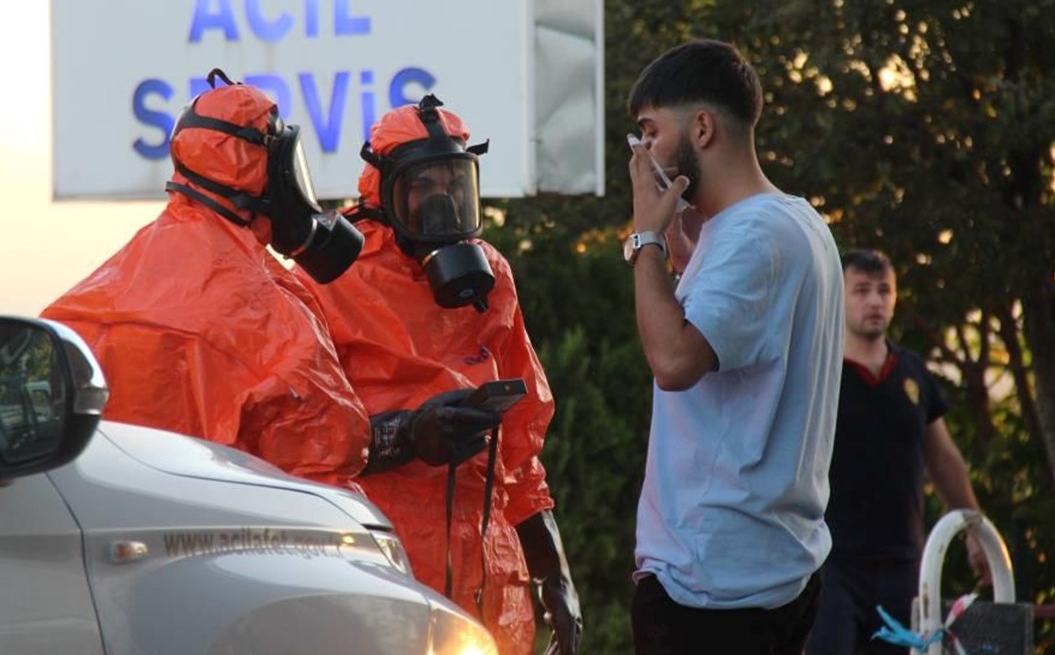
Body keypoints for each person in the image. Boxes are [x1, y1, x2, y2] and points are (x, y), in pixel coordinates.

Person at [299, 95, 582, 655]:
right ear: (382, 191)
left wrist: (555, 576)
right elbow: (293, 449)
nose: (441, 201)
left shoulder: (490, 279)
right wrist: (404, 436)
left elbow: (520, 452)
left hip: (487, 588)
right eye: (421, 186)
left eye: (454, 183)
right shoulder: (326, 279)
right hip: (373, 584)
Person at [41, 70, 374, 488]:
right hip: (225, 536)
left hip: (108, 528)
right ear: (267, 170)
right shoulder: (275, 314)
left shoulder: (92, 297)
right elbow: (323, 466)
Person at [624, 39, 845, 655]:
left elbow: (674, 361)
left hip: (712, 583)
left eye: (649, 132)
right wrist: (681, 245)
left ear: (701, 127)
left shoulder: (757, 235)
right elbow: (739, 336)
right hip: (762, 566)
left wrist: (644, 237)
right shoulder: (792, 221)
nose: (643, 154)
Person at [804, 249, 989, 655]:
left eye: (884, 290)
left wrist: (975, 529)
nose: (875, 301)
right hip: (831, 561)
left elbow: (943, 458)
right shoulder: (819, 371)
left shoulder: (912, 373)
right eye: (862, 290)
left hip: (902, 564)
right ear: (839, 296)